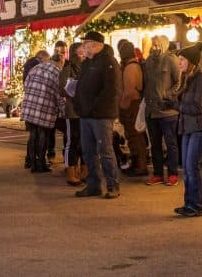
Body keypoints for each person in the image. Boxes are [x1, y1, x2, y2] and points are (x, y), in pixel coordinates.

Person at [167, 42, 202, 217]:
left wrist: (177, 105)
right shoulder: (187, 79)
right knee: (187, 169)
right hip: (188, 128)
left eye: (182, 60)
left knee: (191, 166)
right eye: (178, 59)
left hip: (200, 128)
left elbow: (198, 107)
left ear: (192, 62)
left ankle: (196, 205)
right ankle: (190, 203)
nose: (179, 63)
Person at [72, 31, 122, 199]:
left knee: (105, 150)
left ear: (95, 44)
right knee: (88, 151)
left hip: (101, 115)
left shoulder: (108, 62)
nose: (83, 47)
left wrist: (94, 107)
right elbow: (80, 86)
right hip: (86, 114)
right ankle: (93, 185)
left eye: (85, 44)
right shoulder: (87, 63)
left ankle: (112, 185)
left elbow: (111, 89)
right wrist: (78, 104)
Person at [142, 34, 181, 186]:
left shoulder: (171, 60)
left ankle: (172, 173)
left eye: (157, 44)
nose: (154, 47)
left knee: (171, 143)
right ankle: (157, 173)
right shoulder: (149, 61)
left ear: (164, 45)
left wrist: (167, 95)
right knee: (155, 144)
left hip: (167, 111)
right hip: (151, 110)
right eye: (153, 44)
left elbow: (178, 82)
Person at [21, 49, 65, 173]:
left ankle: (32, 162)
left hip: (29, 106)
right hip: (45, 107)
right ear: (60, 62)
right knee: (43, 135)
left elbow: (26, 85)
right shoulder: (57, 72)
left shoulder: (36, 68)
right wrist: (63, 110)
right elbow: (59, 94)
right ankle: (41, 164)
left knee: (33, 134)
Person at [118, 39, 148, 177]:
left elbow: (129, 91)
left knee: (134, 136)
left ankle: (140, 166)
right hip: (134, 103)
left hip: (131, 105)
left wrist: (123, 107)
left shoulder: (130, 67)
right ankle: (138, 163)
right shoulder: (135, 64)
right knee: (136, 136)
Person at [61, 41, 85, 186]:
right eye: (81, 51)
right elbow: (61, 88)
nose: (83, 53)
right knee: (73, 141)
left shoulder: (88, 65)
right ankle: (71, 171)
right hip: (73, 111)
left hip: (86, 110)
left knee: (84, 142)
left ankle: (84, 170)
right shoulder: (68, 67)